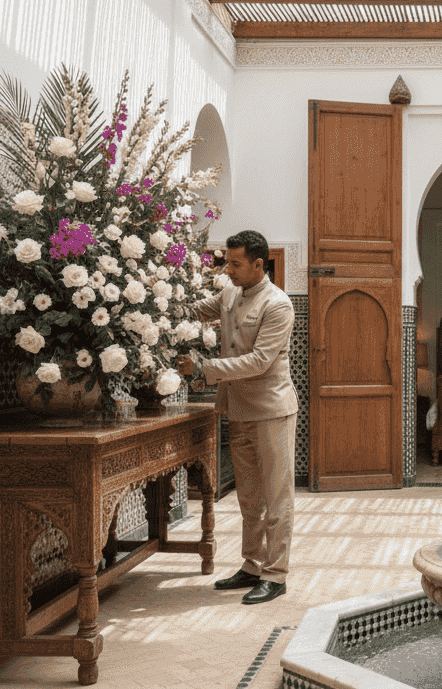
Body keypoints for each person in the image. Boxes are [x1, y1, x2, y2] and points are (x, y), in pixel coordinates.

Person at [179, 230, 297, 605]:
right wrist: (160, 301)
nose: (227, 270)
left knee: (276, 496)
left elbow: (259, 361)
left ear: (259, 265)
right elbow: (196, 311)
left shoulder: (278, 305)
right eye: (226, 262)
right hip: (239, 410)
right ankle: (252, 565)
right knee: (249, 496)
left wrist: (203, 367)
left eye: (235, 264)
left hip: (271, 411)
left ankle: (275, 575)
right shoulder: (230, 293)